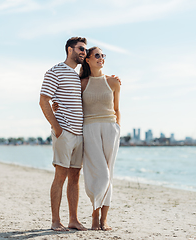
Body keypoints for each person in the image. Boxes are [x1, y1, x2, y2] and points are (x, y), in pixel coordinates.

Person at [39, 37, 88, 231]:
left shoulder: (78, 76)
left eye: (85, 49)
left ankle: (73, 220)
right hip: (65, 132)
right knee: (60, 176)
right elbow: (44, 100)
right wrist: (57, 127)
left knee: (75, 177)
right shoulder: (55, 71)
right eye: (81, 49)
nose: (84, 52)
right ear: (70, 50)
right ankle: (55, 221)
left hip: (79, 133)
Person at [79, 46, 121, 231]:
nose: (101, 58)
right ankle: (95, 213)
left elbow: (117, 108)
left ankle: (103, 220)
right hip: (89, 129)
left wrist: (117, 128)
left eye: (102, 55)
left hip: (110, 128)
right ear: (87, 59)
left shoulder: (113, 82)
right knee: (99, 174)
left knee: (108, 174)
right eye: (97, 55)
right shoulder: (82, 83)